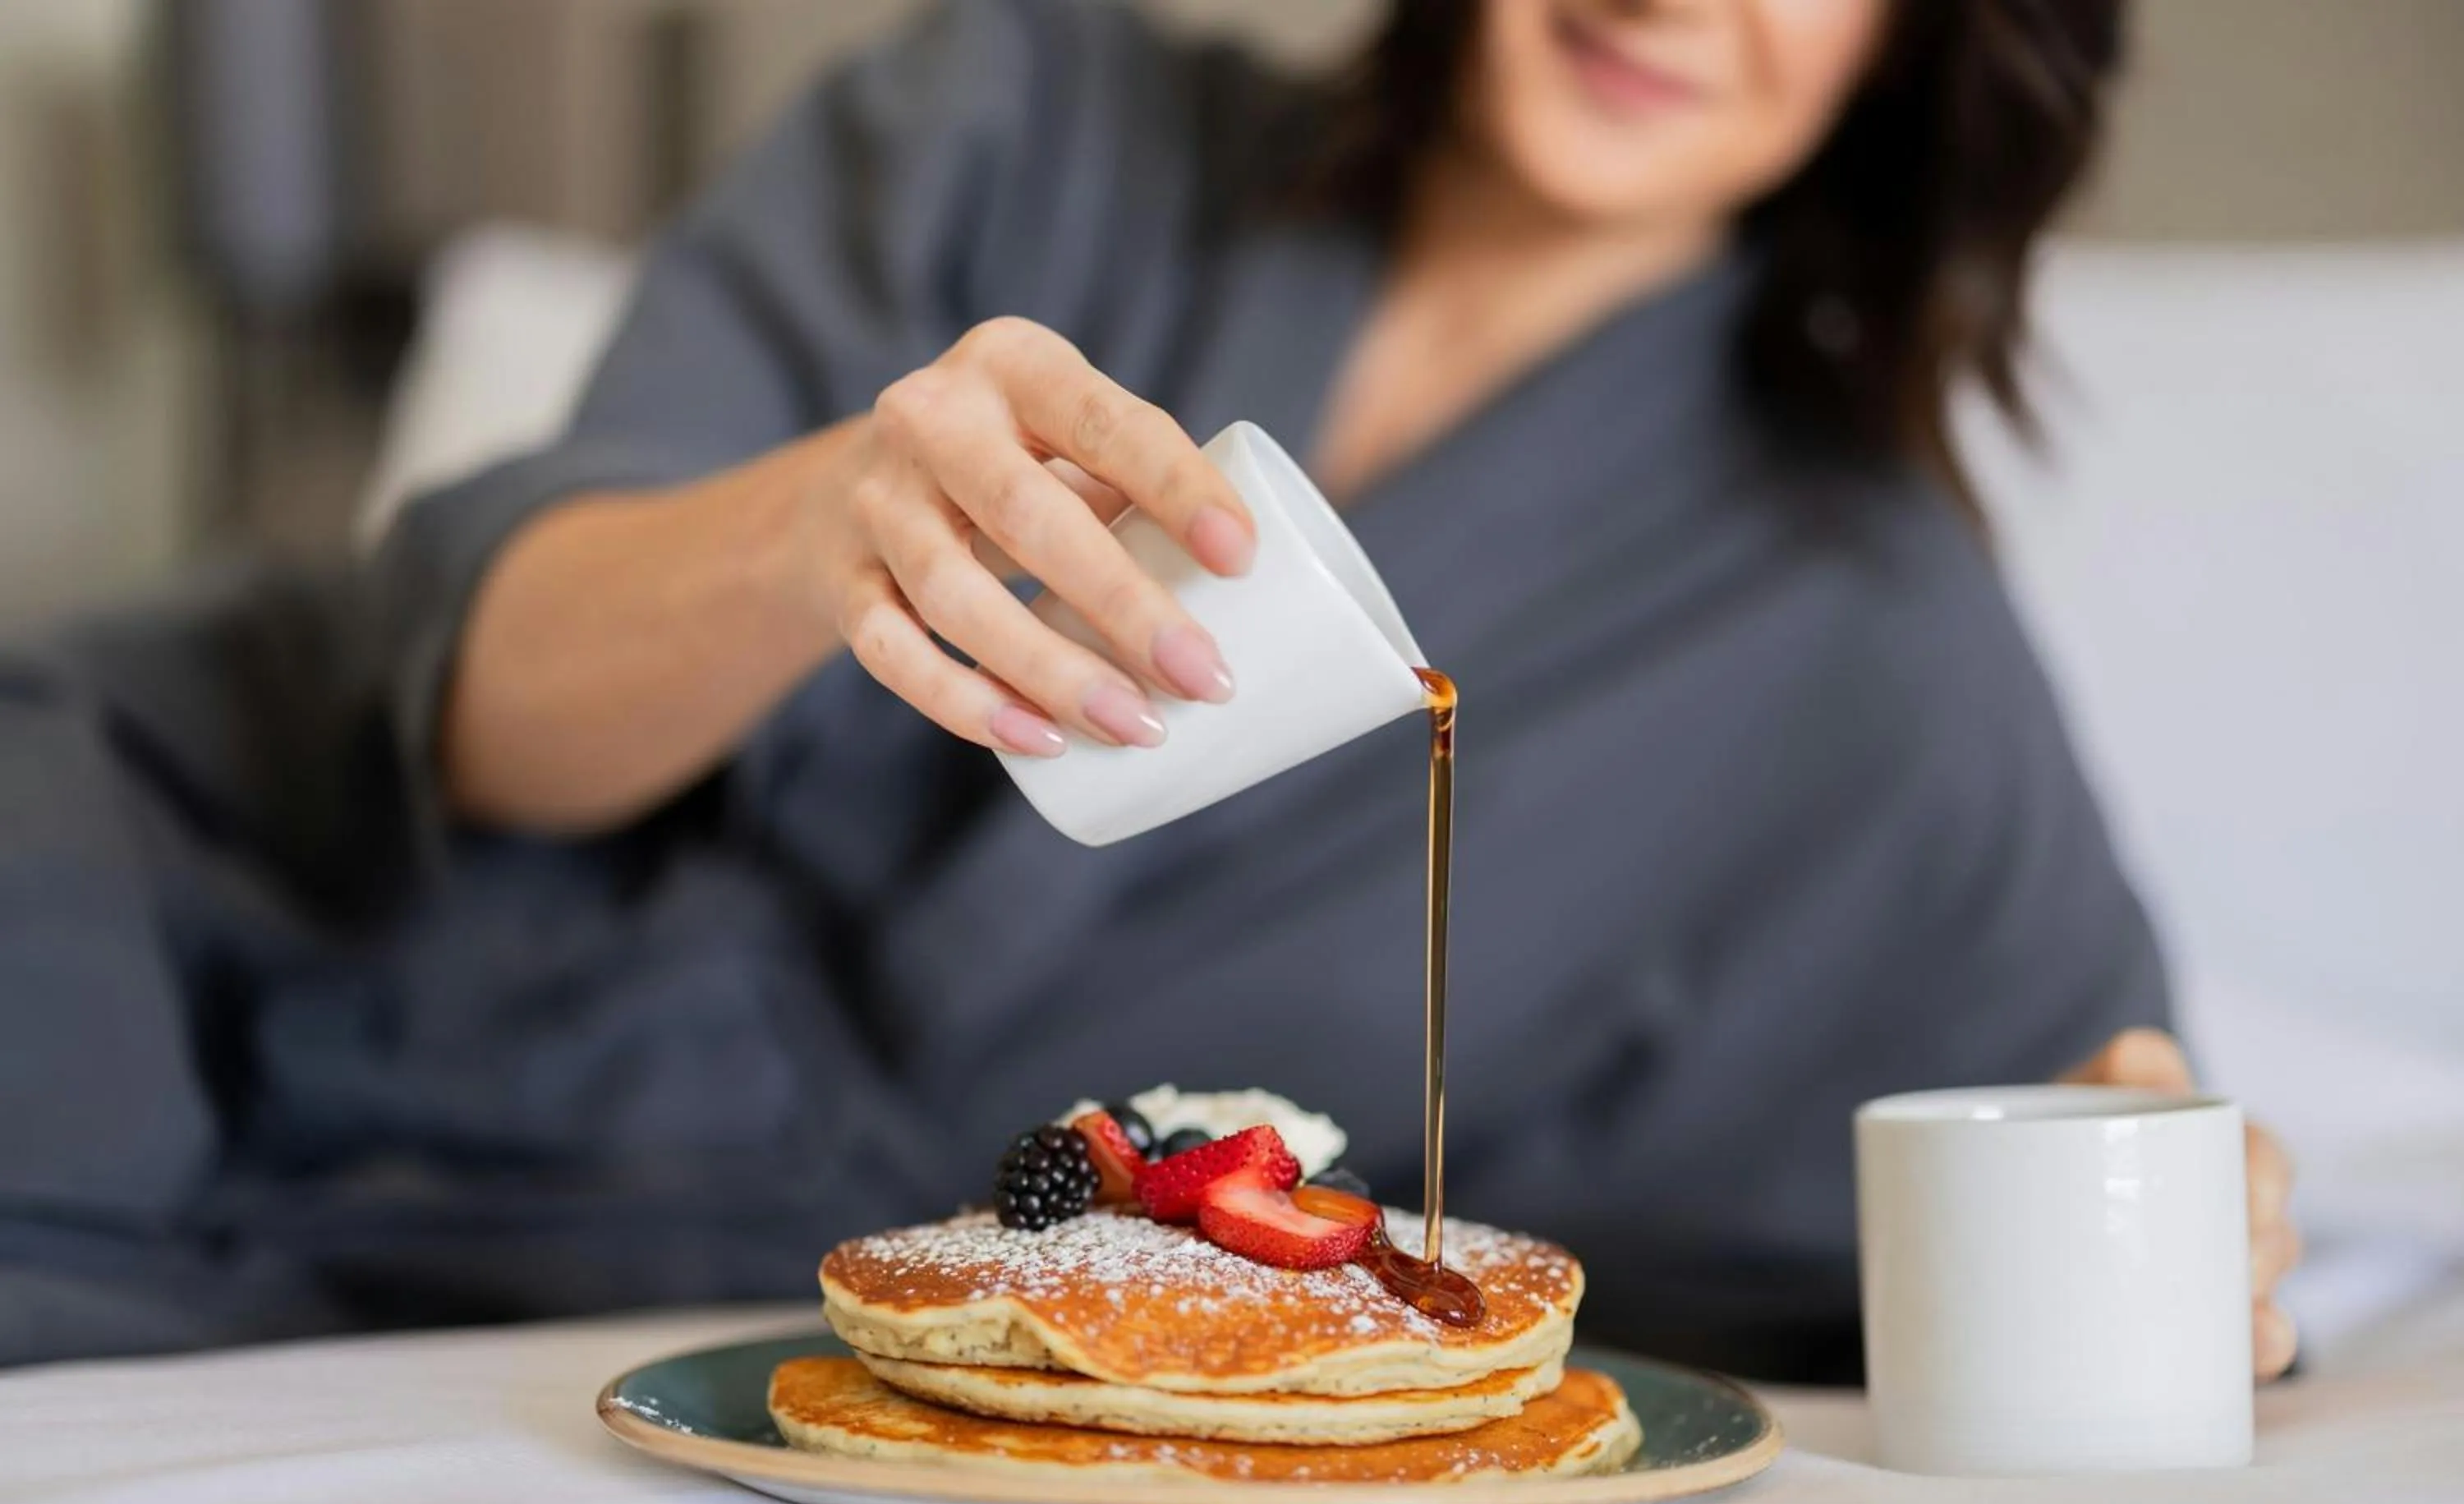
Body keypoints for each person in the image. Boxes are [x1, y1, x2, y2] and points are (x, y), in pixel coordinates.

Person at [0, 0, 2297, 1379]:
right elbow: (483, 711)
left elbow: (2092, 1177)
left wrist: (2192, 1238)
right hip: (210, 883)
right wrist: (817, 529)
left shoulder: (1877, 665)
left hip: (659, 1298)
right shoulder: (1029, 114)